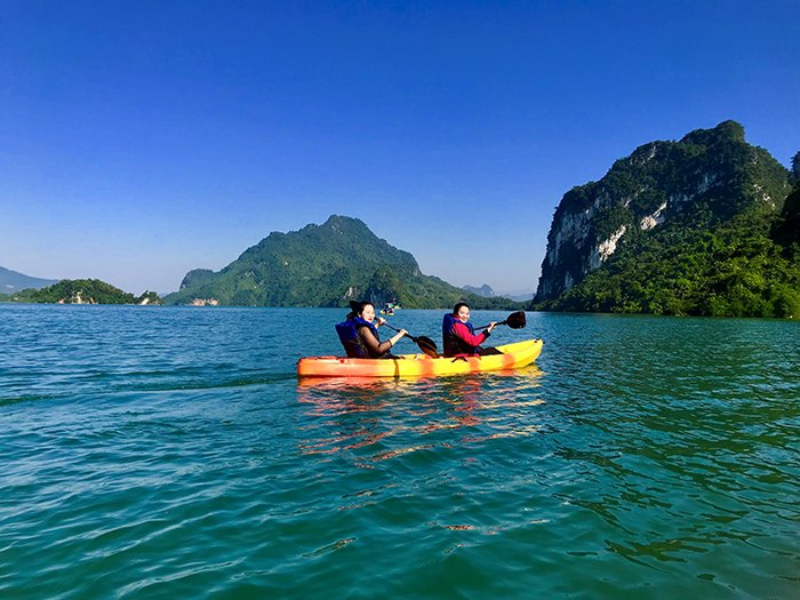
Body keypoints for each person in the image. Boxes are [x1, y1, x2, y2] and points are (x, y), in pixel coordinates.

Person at [336, 301, 407, 359]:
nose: (371, 315)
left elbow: (365, 337)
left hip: (359, 361)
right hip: (373, 362)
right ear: (359, 314)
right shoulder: (364, 328)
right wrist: (400, 335)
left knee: (401, 358)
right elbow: (379, 349)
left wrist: (377, 324)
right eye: (367, 312)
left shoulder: (359, 327)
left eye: (373, 313)